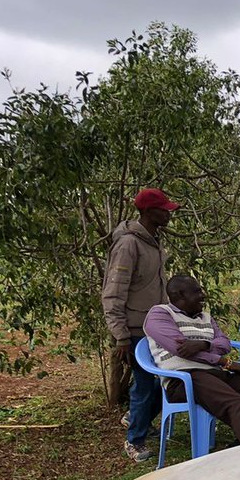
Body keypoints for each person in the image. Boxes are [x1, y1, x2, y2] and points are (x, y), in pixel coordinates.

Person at [144, 276, 240, 446]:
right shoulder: (159, 314)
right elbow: (182, 350)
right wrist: (224, 362)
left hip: (215, 374)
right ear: (179, 295)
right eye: (197, 291)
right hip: (184, 379)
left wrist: (204, 344)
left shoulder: (205, 317)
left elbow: (225, 344)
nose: (203, 295)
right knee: (237, 403)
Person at [101, 187, 174, 462]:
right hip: (134, 328)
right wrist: (120, 336)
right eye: (163, 210)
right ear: (148, 211)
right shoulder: (128, 245)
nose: (168, 214)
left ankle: (136, 416)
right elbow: (113, 292)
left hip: (154, 326)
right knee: (144, 384)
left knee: (165, 380)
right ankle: (135, 441)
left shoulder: (153, 241)